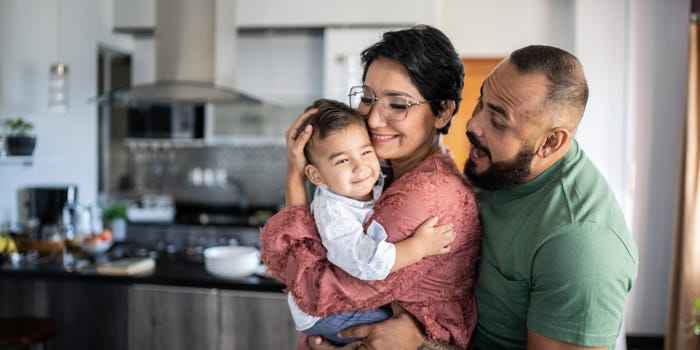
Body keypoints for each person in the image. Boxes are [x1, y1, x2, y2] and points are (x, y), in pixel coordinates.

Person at [324, 45, 640, 350]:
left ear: (551, 142)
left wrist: (421, 346)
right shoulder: (501, 170)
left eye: (498, 120)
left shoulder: (581, 244)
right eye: (481, 103)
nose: (472, 125)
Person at [259, 25, 482, 350]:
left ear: (443, 111)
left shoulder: (421, 197)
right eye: (367, 98)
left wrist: (294, 177)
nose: (374, 119)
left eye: (398, 104)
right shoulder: (385, 173)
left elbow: (314, 290)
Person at [286, 98, 456, 346]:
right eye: (342, 160)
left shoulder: (363, 184)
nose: (361, 167)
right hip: (327, 313)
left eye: (366, 152)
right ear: (316, 175)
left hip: (329, 304)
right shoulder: (333, 212)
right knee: (397, 326)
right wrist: (419, 247)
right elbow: (365, 262)